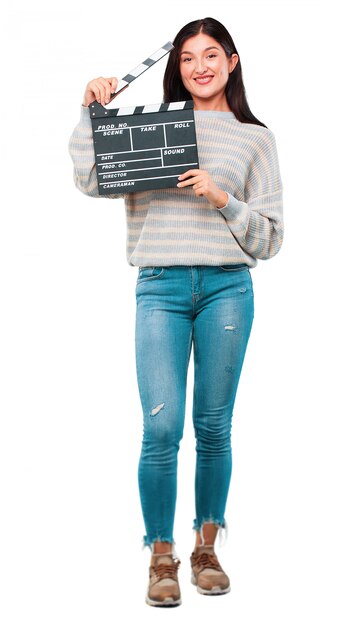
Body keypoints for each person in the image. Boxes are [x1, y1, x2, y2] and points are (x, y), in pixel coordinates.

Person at [68, 16, 284, 608]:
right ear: (176, 67)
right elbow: (89, 178)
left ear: (232, 62)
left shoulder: (254, 139)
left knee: (213, 428)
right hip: (159, 287)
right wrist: (92, 113)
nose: (201, 67)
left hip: (227, 290)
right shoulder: (154, 127)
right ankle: (161, 557)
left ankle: (206, 548)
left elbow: (269, 238)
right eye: (188, 58)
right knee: (161, 428)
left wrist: (221, 196)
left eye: (212, 55)